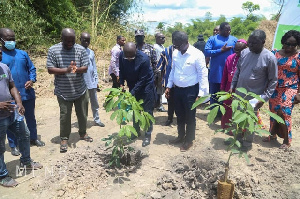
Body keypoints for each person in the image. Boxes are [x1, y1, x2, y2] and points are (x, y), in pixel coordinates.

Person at [0, 49, 42, 187]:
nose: (0, 54)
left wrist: (18, 102)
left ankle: (26, 161)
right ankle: (3, 176)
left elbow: (12, 86)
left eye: (0, 51)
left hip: (12, 112)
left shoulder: (4, 67)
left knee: (24, 135)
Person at [230, 29, 278, 151]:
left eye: (254, 43)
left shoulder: (269, 57)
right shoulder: (245, 52)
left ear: (263, 42)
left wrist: (264, 97)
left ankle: (246, 144)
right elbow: (238, 71)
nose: (250, 45)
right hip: (239, 94)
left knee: (249, 121)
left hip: (254, 97)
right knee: (238, 118)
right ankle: (238, 140)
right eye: (249, 42)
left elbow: (273, 80)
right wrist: (232, 86)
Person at [47, 28, 92, 153]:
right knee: (65, 116)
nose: (69, 43)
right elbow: (50, 69)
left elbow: (85, 67)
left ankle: (82, 133)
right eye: (67, 41)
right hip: (63, 91)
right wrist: (66, 70)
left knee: (83, 114)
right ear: (61, 38)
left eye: (72, 41)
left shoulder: (81, 50)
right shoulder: (53, 50)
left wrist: (76, 69)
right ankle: (64, 138)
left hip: (80, 90)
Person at [0, 28, 45, 154]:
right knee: (11, 120)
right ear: (1, 40)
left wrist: (32, 80)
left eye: (13, 39)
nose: (12, 41)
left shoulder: (22, 54)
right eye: (9, 39)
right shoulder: (1, 56)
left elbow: (32, 68)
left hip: (27, 93)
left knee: (30, 117)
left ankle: (33, 138)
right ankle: (13, 145)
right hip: (10, 96)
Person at [165, 31, 208, 152]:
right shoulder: (175, 53)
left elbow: (203, 74)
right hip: (177, 89)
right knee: (179, 114)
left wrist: (200, 94)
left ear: (186, 42)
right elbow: (173, 70)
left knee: (190, 117)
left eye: (178, 45)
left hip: (191, 91)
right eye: (175, 46)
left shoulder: (197, 54)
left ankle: (189, 140)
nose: (177, 48)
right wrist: (168, 86)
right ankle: (180, 136)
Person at [263, 30, 300, 149]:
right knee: (273, 111)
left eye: (293, 45)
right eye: (287, 44)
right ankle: (272, 135)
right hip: (274, 87)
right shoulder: (274, 53)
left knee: (284, 112)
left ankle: (286, 140)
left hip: (291, 87)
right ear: (283, 42)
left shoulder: (298, 57)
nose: (290, 47)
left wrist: (299, 94)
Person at [119, 42, 155, 147]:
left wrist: (131, 93)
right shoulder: (122, 55)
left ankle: (147, 135)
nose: (129, 59)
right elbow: (121, 69)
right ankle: (136, 131)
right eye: (127, 57)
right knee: (135, 110)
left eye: (132, 57)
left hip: (145, 87)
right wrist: (121, 82)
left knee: (147, 111)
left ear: (136, 51)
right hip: (132, 84)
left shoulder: (144, 59)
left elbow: (142, 80)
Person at [205, 22, 237, 114]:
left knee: (227, 94)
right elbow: (207, 52)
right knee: (214, 94)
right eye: (226, 30)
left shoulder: (234, 39)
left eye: (229, 30)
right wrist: (221, 50)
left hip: (229, 73)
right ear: (221, 30)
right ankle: (214, 113)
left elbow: (238, 52)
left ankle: (225, 114)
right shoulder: (213, 39)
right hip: (216, 72)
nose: (228, 32)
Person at [220, 39, 247, 129]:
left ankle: (236, 129)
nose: (237, 52)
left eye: (240, 50)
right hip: (229, 86)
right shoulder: (230, 58)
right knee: (227, 107)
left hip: (241, 88)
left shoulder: (247, 60)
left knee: (237, 109)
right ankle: (226, 126)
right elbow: (224, 74)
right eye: (236, 49)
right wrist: (222, 87)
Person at [80, 32, 105, 127]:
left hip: (92, 82)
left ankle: (97, 119)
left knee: (95, 102)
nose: (86, 42)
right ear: (80, 40)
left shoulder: (91, 52)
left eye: (88, 41)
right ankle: (83, 122)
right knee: (83, 104)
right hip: (82, 83)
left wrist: (96, 81)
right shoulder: (76, 51)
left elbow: (94, 68)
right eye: (84, 40)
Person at [135, 30, 163, 112]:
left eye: (140, 36)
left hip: (148, 77)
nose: (139, 38)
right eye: (137, 37)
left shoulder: (150, 48)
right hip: (136, 77)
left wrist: (154, 77)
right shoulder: (133, 48)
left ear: (144, 37)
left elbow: (154, 63)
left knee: (149, 96)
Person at [157, 45, 174, 126]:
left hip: (182, 81)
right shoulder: (166, 51)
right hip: (168, 80)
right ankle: (170, 118)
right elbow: (160, 65)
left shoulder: (186, 51)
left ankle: (182, 118)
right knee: (170, 100)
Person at [153, 32, 167, 112]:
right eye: (162, 38)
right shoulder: (155, 47)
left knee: (160, 89)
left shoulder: (161, 46)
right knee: (159, 88)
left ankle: (157, 104)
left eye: (164, 38)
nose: (163, 39)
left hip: (161, 71)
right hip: (158, 71)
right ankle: (159, 105)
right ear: (157, 38)